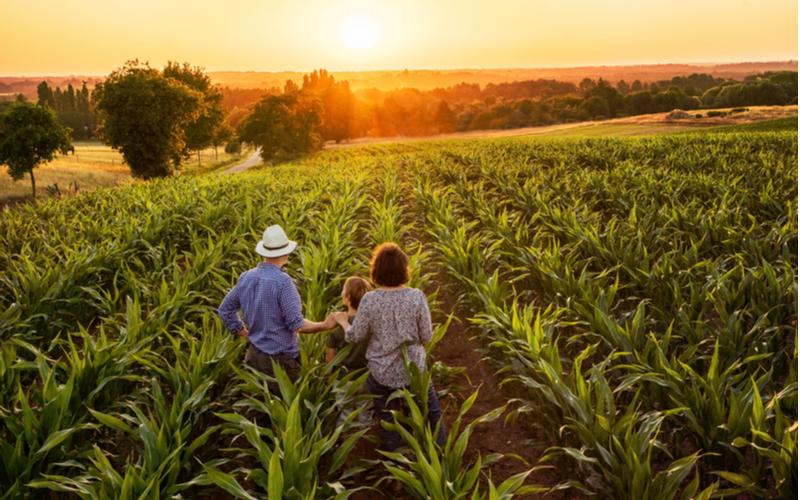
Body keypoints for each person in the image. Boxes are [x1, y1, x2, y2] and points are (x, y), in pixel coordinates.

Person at [332, 243, 446, 452]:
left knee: (388, 421)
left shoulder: (370, 300)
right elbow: (427, 336)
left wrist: (343, 323)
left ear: (376, 271)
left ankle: (394, 469)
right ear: (404, 269)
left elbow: (355, 336)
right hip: (414, 372)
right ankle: (438, 460)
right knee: (432, 414)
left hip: (381, 374)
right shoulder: (417, 296)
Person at [218, 224, 336, 394]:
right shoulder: (283, 282)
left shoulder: (246, 277)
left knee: (257, 413)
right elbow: (297, 324)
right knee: (285, 412)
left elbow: (224, 310)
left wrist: (245, 334)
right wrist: (324, 325)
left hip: (254, 355)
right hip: (279, 362)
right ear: (286, 253)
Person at [326, 276, 375, 427]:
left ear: (347, 297)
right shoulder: (372, 323)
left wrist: (329, 378)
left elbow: (330, 359)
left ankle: (346, 448)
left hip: (343, 379)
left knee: (343, 416)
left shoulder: (336, 325)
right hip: (366, 377)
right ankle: (367, 446)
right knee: (367, 415)